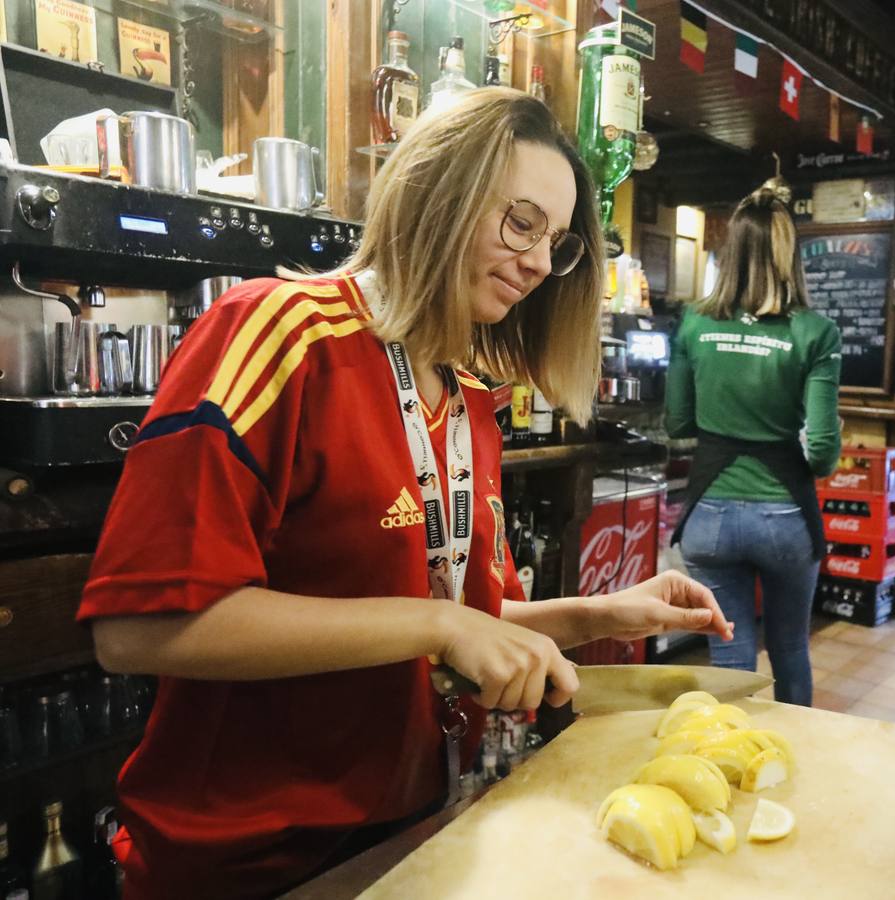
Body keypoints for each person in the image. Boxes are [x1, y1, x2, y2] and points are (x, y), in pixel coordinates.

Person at [77, 88, 732, 900]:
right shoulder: (280, 331)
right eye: (521, 222)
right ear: (436, 192)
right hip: (248, 858)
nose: (535, 262)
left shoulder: (469, 398)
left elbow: (454, 624)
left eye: (555, 244)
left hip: (407, 822)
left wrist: (598, 615)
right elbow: (139, 628)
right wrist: (438, 621)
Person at [666, 180, 842, 707]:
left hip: (709, 519)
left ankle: (725, 765)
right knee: (790, 648)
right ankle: (790, 763)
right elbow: (822, 454)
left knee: (729, 655)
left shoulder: (694, 323)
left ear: (731, 249)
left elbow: (677, 422)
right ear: (790, 254)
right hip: (786, 519)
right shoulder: (815, 332)